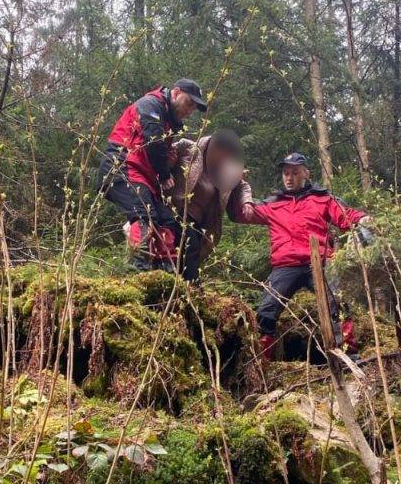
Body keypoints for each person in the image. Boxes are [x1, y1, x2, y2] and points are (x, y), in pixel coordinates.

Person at [232, 151, 373, 361]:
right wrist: (237, 187)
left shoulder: (321, 198)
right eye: (286, 173)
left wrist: (362, 219)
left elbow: (346, 216)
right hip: (285, 265)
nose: (289, 178)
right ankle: (261, 362)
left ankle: (348, 356)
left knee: (337, 304)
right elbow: (241, 214)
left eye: (295, 172)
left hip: (320, 262)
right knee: (266, 310)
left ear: (306, 173)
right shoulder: (273, 203)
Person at [96, 79, 207, 272]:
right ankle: (139, 269)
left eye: (194, 108)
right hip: (121, 165)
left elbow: (155, 148)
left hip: (142, 176)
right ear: (176, 93)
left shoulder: (168, 120)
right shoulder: (151, 104)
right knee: (144, 215)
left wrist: (168, 160)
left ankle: (164, 271)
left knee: (167, 220)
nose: (190, 111)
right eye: (189, 103)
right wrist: (164, 174)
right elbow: (154, 142)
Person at [168, 129, 247, 281]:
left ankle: (181, 286)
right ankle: (191, 286)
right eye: (221, 154)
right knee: (190, 247)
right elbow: (164, 153)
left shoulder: (226, 171)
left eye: (227, 157)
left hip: (201, 222)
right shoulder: (188, 149)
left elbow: (243, 186)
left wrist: (246, 202)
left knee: (194, 253)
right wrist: (168, 162)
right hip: (177, 211)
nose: (222, 159)